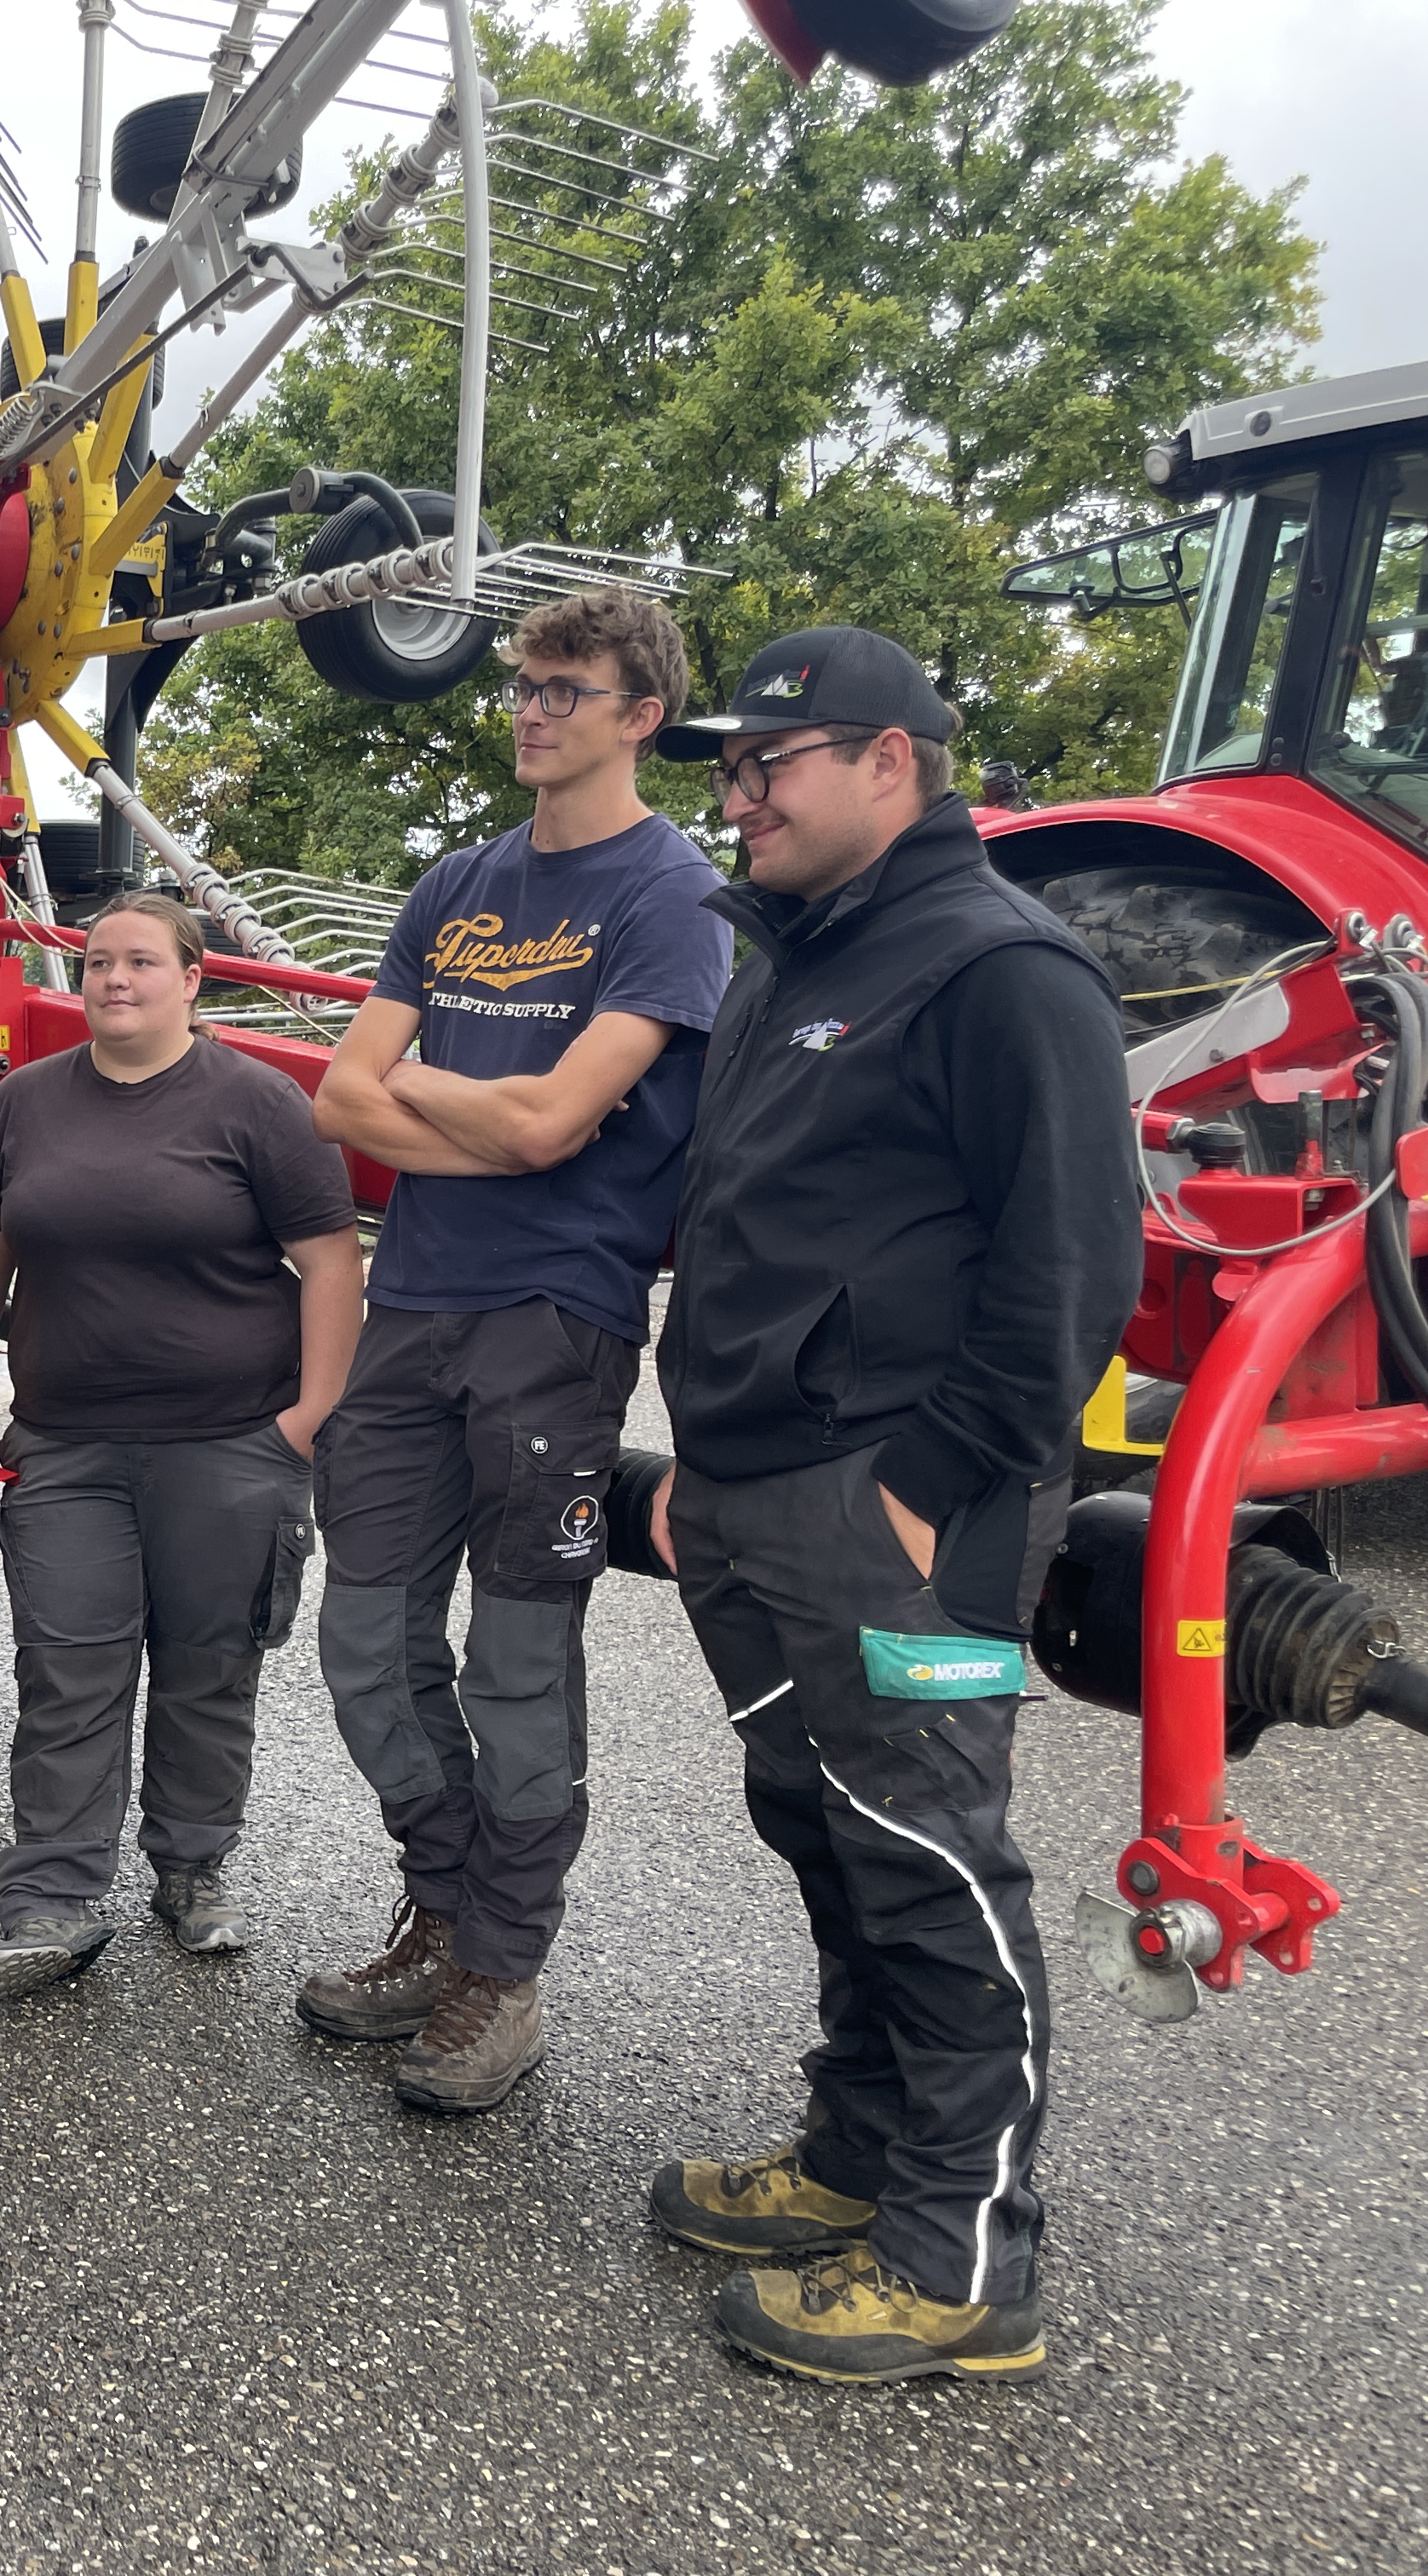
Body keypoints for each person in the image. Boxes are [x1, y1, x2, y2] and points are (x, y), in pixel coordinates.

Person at [642, 626, 1136, 2383]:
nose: (740, 790)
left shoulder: (1003, 968)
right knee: (823, 1821)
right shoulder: (792, 958)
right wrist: (701, 1454)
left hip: (900, 1509)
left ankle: (965, 2259)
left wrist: (934, 1489)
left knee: (929, 1853)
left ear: (895, 766)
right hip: (758, 1487)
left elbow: (1072, 1265)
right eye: (731, 764)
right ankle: (858, 2154)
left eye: (775, 761)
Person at [301, 588, 733, 2113]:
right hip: (413, 1307)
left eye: (566, 687)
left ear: (640, 717)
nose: (531, 707)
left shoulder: (673, 899)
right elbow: (343, 1102)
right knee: (364, 1643)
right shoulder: (460, 881)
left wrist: (472, 1114)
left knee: (516, 1659)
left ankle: (503, 1967)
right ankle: (445, 1903)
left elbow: (545, 1124)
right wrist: (521, 1126)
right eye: (525, 686)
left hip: (560, 1320)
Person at [0, 890, 364, 1997]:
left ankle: (192, 1870)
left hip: (230, 1444)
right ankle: (50, 1899)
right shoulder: (24, 1105)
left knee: (207, 1673)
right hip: (67, 1447)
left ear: (193, 979)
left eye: (140, 963)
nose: (114, 981)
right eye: (95, 965)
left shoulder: (259, 1105)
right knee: (67, 1672)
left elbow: (329, 1264)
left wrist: (309, 1419)